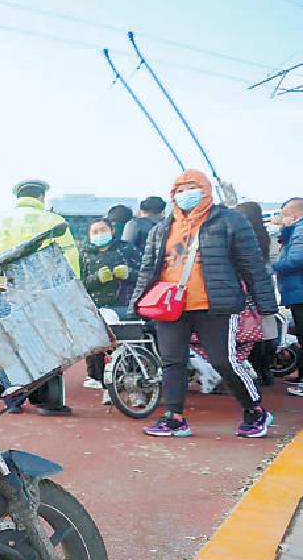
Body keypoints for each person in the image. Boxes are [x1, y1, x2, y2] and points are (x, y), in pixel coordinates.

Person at [130, 170, 278, 438]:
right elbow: (148, 269)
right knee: (172, 361)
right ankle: (173, 417)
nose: (186, 194)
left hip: (215, 304)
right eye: (180, 189)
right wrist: (137, 303)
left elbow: (253, 266)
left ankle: (255, 410)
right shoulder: (162, 228)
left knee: (224, 361)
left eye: (192, 187)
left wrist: (266, 305)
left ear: (206, 190)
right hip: (170, 306)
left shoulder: (231, 221)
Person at [0, 179, 80, 416]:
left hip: (10, 294)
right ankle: (48, 402)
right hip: (45, 295)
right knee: (51, 346)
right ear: (41, 197)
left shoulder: (0, 225)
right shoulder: (54, 221)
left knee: (15, 347)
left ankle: (14, 401)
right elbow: (69, 259)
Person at [81, 217, 140, 389]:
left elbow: (146, 273)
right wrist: (96, 279)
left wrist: (129, 273)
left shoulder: (126, 249)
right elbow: (79, 283)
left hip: (124, 304)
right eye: (95, 232)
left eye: (103, 230)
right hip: (96, 306)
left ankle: (133, 374)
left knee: (130, 341)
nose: (99, 234)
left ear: (112, 231)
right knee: (96, 343)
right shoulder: (85, 254)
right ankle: (98, 377)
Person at [235, 201, 276, 386]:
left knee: (244, 335)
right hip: (263, 291)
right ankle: (264, 371)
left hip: (245, 292)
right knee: (263, 333)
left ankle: (251, 374)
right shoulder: (264, 236)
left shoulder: (241, 237)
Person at [273, 197, 303, 394]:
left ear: (293, 215)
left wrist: (271, 267)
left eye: (283, 215)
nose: (281, 219)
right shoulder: (294, 231)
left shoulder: (300, 230)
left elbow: (297, 258)